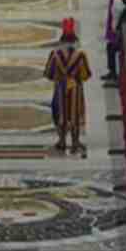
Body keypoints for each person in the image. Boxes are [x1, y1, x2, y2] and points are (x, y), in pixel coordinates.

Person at [45, 18, 93, 154]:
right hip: (76, 88)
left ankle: (62, 141)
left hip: (60, 88)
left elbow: (49, 73)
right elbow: (86, 74)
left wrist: (60, 77)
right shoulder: (80, 55)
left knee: (60, 114)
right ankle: (75, 142)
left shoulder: (54, 55)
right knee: (75, 115)